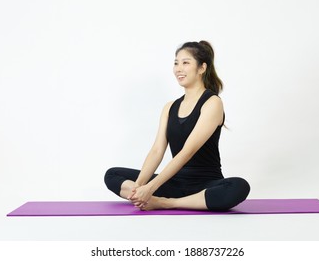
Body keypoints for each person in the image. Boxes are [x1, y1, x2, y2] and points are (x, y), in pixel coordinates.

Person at [104, 41, 250, 211]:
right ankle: (148, 198)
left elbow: (188, 152)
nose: (178, 68)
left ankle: (164, 202)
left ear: (202, 68)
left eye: (185, 63)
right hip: (173, 182)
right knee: (112, 174)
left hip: (205, 186)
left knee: (239, 187)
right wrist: (140, 187)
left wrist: (151, 188)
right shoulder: (169, 107)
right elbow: (157, 151)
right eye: (176, 63)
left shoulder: (212, 103)